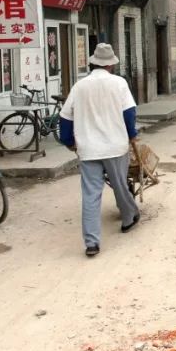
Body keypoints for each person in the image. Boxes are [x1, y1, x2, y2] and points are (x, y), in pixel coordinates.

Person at [58, 43, 140, 258]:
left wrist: (68, 141)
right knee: (121, 185)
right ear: (111, 65)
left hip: (89, 148)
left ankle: (92, 243)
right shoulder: (119, 83)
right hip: (115, 145)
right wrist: (132, 134)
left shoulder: (79, 86)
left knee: (91, 195)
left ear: (93, 63)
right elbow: (129, 113)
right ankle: (129, 218)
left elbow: (65, 117)